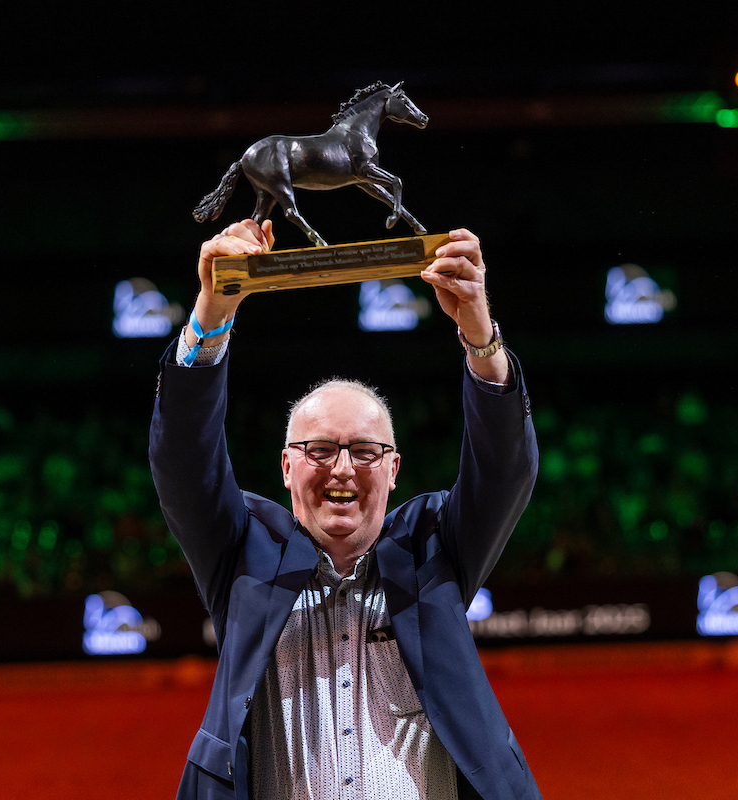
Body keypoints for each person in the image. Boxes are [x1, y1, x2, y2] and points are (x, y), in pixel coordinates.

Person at [150, 219, 541, 800]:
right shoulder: (241, 553)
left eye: (364, 451)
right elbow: (183, 458)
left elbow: (506, 468)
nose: (341, 469)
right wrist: (210, 317)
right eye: (319, 450)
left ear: (392, 469)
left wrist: (481, 340)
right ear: (286, 467)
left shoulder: (435, 549)